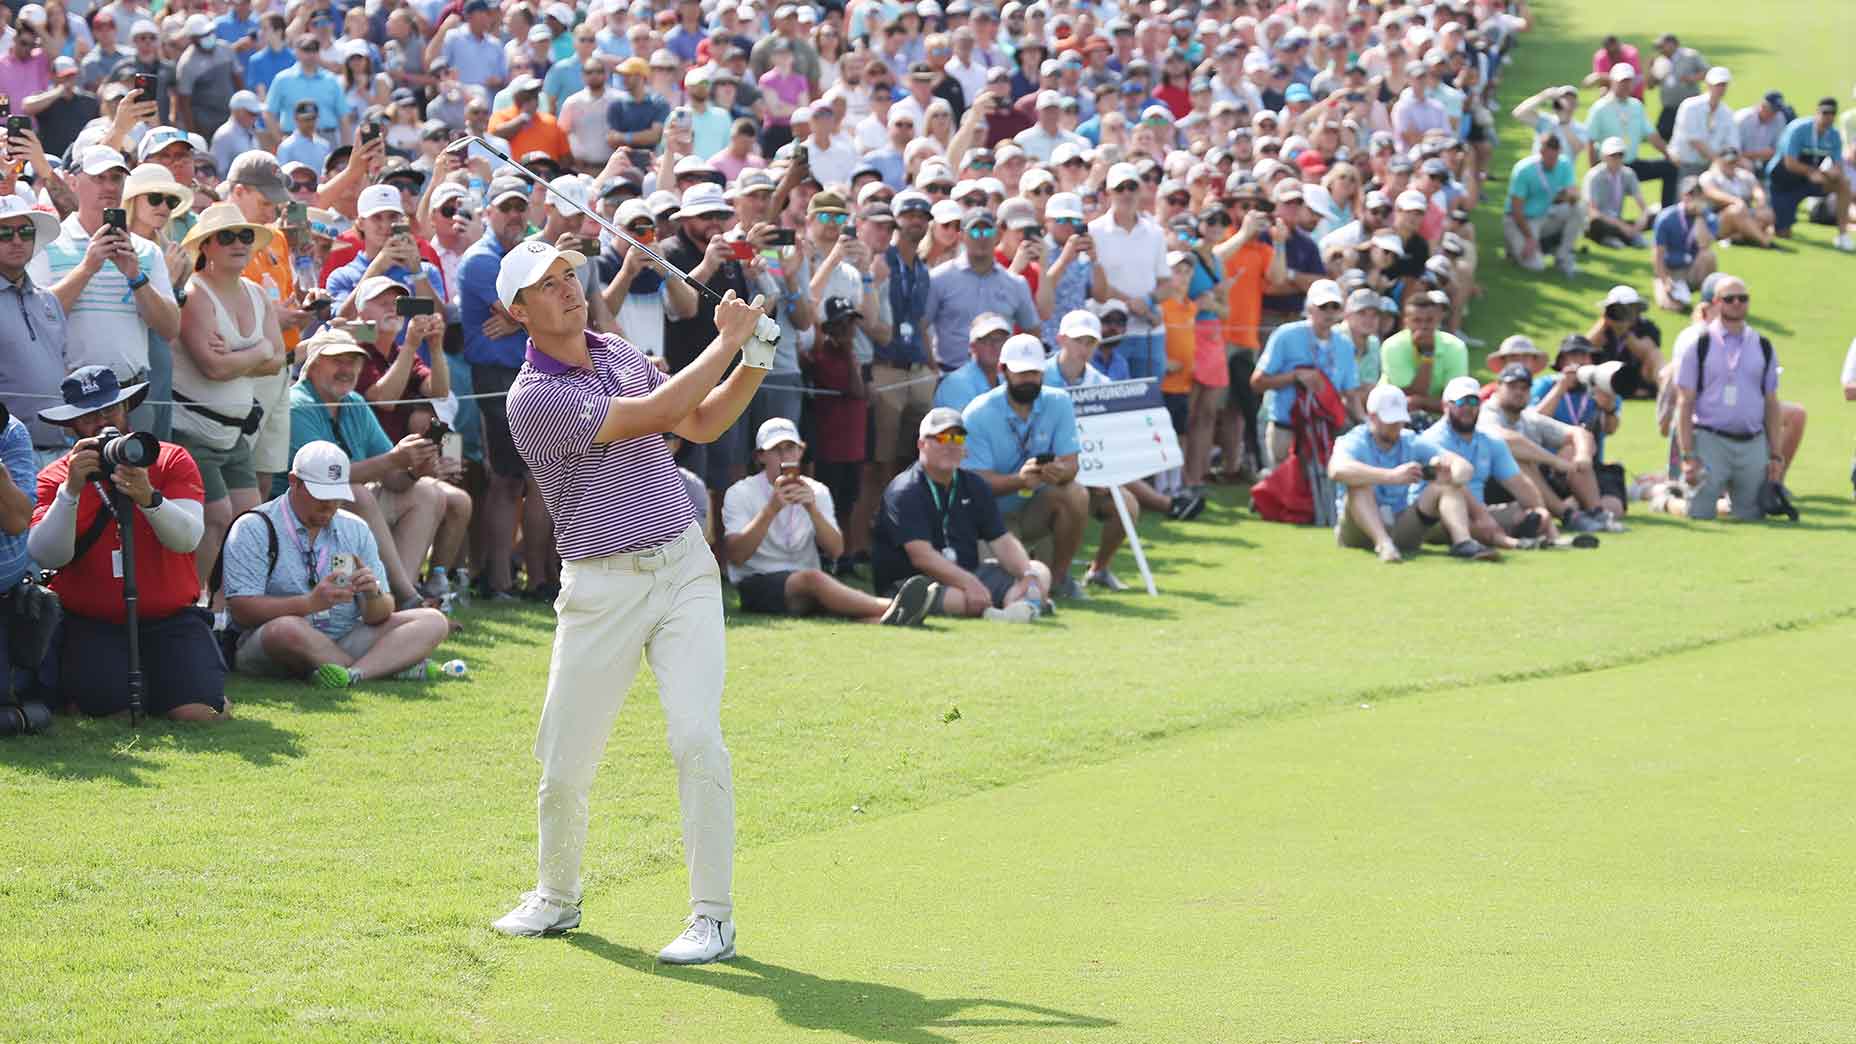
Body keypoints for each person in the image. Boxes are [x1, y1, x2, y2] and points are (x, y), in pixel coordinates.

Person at [490, 236, 772, 965]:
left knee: (695, 737)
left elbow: (700, 421)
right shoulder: (534, 398)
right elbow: (653, 412)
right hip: (602, 588)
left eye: (568, 275)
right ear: (518, 311)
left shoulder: (616, 349)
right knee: (565, 758)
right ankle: (556, 898)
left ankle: (713, 917)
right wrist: (727, 342)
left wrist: (756, 359)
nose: (568, 288)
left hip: (683, 567)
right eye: (547, 285)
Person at [27, 366, 226, 721]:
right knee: (108, 712)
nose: (103, 424)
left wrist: (149, 497)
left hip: (171, 618)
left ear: (126, 410)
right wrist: (71, 491)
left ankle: (189, 685)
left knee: (197, 713)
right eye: (88, 417)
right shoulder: (57, 476)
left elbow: (187, 539)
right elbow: (46, 553)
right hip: (93, 621)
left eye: (109, 411)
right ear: (71, 425)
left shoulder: (169, 459)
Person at [223, 440, 450, 686]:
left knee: (433, 620)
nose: (329, 505)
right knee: (286, 629)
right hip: (274, 641)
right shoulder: (253, 527)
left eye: (336, 496)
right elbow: (241, 610)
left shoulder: (355, 528)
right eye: (321, 495)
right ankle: (388, 665)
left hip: (344, 635)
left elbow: (379, 614)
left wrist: (373, 594)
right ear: (294, 482)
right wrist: (309, 603)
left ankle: (353, 674)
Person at [173, 202, 287, 591]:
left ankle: (221, 610)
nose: (239, 244)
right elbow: (213, 367)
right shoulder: (195, 293)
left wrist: (243, 357)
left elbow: (277, 359)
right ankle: (189, 603)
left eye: (245, 236)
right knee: (217, 516)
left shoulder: (258, 293)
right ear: (206, 245)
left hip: (235, 433)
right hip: (192, 430)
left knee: (249, 520)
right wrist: (257, 353)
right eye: (227, 236)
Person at [721, 418, 931, 625]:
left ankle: (890, 618)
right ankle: (892, 605)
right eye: (776, 450)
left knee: (825, 593)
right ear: (761, 457)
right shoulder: (740, 493)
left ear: (801, 452)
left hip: (807, 585)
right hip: (758, 582)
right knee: (814, 580)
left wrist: (812, 509)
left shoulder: (817, 491)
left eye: (790, 448)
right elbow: (737, 556)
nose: (785, 456)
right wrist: (771, 509)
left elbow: (836, 550)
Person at [28, 144, 181, 431]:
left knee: (136, 475)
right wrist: (87, 268)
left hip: (131, 397)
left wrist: (136, 277)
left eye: (116, 178)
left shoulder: (147, 252)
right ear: (72, 181)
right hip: (72, 399)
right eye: (99, 177)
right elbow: (38, 319)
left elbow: (170, 328)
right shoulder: (47, 247)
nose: (109, 186)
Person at [459, 175, 552, 599]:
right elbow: (541, 310)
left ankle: (532, 578)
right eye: (505, 208)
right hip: (497, 378)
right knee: (508, 480)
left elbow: (538, 308)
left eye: (520, 207)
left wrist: (521, 316)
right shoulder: (481, 260)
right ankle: (500, 581)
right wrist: (526, 314)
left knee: (530, 479)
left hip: (528, 375)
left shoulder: (525, 257)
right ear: (487, 213)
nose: (515, 215)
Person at [871, 406, 1050, 622]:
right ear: (921, 444)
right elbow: (922, 557)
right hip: (913, 581)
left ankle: (1014, 605)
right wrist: (970, 583)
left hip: (966, 574)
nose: (950, 444)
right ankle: (1019, 607)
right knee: (956, 598)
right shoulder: (905, 491)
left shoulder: (974, 485)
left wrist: (1027, 576)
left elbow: (1002, 539)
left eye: (957, 438)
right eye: (942, 437)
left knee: (1038, 571)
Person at [959, 333, 1089, 601]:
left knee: (1075, 493)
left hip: (1035, 506)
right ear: (1002, 370)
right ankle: (1034, 582)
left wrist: (1059, 472)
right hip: (990, 517)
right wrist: (1019, 480)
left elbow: (1072, 465)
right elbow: (973, 483)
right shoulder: (977, 413)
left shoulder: (1059, 402)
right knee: (1002, 588)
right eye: (1021, 373)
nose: (1029, 379)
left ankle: (1060, 579)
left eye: (1035, 373)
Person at [1329, 384, 1489, 563]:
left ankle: (1463, 543)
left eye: (1399, 420)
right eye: (1391, 421)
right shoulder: (1354, 440)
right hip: (1356, 531)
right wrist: (1391, 476)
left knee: (1445, 486)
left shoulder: (1409, 440)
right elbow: (1336, 470)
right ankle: (1383, 545)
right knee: (1359, 485)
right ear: (1373, 417)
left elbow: (1462, 465)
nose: (1396, 426)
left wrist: (1452, 475)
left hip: (1399, 524)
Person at [1671, 274, 1781, 522]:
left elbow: (1771, 402)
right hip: (1710, 441)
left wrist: (1775, 454)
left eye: (1743, 298)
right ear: (1716, 303)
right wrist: (1687, 455)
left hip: (1752, 443)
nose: (1737, 304)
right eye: (1729, 299)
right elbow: (1684, 402)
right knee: (1698, 514)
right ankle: (1667, 501)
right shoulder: (1700, 344)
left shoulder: (1762, 345)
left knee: (1752, 518)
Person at [1419, 375, 1558, 552]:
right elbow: (1454, 484)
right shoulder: (1431, 440)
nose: (1468, 408)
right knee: (1456, 499)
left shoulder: (1490, 440)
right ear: (1446, 406)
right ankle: (1510, 542)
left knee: (1535, 516)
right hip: (1435, 514)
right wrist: (1482, 516)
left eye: (1474, 402)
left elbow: (1519, 483)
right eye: (1461, 402)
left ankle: (1524, 536)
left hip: (1481, 513)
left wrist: (1542, 513)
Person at [1478, 363, 1616, 530]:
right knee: (1517, 459)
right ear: (1498, 387)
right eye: (1512, 386)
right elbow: (1504, 439)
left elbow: (1579, 433)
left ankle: (1596, 512)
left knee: (1573, 449)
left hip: (1525, 486)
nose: (1519, 392)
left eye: (1524, 387)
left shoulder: (1528, 418)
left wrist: (1583, 456)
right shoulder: (1486, 413)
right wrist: (1554, 461)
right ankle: (1568, 515)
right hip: (1488, 487)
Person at [1249, 278, 1360, 468]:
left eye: (1335, 307)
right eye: (1323, 306)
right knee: (1283, 491)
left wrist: (1364, 421)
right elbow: (1257, 382)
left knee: (1324, 492)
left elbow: (1350, 393)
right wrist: (1294, 376)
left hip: (1326, 430)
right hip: (1286, 427)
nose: (1329, 312)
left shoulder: (1345, 345)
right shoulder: (1285, 335)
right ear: (1309, 308)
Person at [921, 207, 1040, 373]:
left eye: (988, 232)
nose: (982, 238)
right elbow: (921, 326)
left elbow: (1032, 331)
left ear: (997, 235)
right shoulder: (938, 279)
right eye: (975, 233)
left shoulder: (1015, 283)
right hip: (951, 372)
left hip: (1000, 378)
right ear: (962, 236)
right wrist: (932, 367)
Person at [0, 195, 71, 472]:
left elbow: (63, 370)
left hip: (59, 450)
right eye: (4, 232)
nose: (17, 240)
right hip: (8, 457)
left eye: (25, 231)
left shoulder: (48, 301)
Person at [1766, 97, 1851, 249]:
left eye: (1832, 114)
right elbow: (1789, 163)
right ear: (1817, 113)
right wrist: (1811, 172)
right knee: (1783, 233)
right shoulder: (1798, 129)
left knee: (1843, 184)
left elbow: (1838, 166)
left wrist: (1833, 174)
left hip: (1808, 180)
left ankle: (1843, 236)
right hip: (1783, 181)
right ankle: (1773, 221)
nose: (1828, 117)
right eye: (1825, 113)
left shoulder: (1834, 135)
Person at [1504, 131, 1583, 275]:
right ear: (1541, 152)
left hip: (1544, 215)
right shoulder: (1523, 170)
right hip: (1520, 220)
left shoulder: (1564, 164)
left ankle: (1563, 256)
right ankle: (1514, 246)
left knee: (1579, 209)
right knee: (1536, 266)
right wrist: (1529, 238)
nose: (1552, 162)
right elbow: (1516, 209)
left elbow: (1573, 193)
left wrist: (1571, 196)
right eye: (1549, 158)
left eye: (1555, 157)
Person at [1378, 290, 1466, 415]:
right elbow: (1410, 396)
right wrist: (1428, 355)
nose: (1423, 326)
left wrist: (1421, 402)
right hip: (1393, 412)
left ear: (1438, 320)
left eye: (1429, 320)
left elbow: (1457, 399)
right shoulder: (1393, 346)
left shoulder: (1456, 347)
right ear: (1406, 321)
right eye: (1417, 320)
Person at [1651, 178, 1717, 312]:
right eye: (1690, 194)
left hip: (1692, 269)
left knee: (1709, 256)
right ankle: (1670, 293)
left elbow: (1704, 244)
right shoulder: (1666, 217)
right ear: (1682, 196)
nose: (1693, 199)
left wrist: (1699, 216)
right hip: (1670, 272)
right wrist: (1664, 281)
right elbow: (1658, 254)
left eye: (1697, 195)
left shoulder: (1709, 218)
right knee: (1674, 307)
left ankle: (1706, 303)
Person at [1583, 137, 1651, 248]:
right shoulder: (1594, 176)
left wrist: (1641, 221)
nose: (1617, 159)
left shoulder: (1628, 174)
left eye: (1620, 155)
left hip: (1617, 220)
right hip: (1600, 221)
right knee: (1596, 222)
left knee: (1655, 214)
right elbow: (1592, 211)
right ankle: (1625, 237)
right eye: (1613, 155)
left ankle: (1628, 235)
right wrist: (1621, 226)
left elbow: (1642, 205)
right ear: (1604, 156)